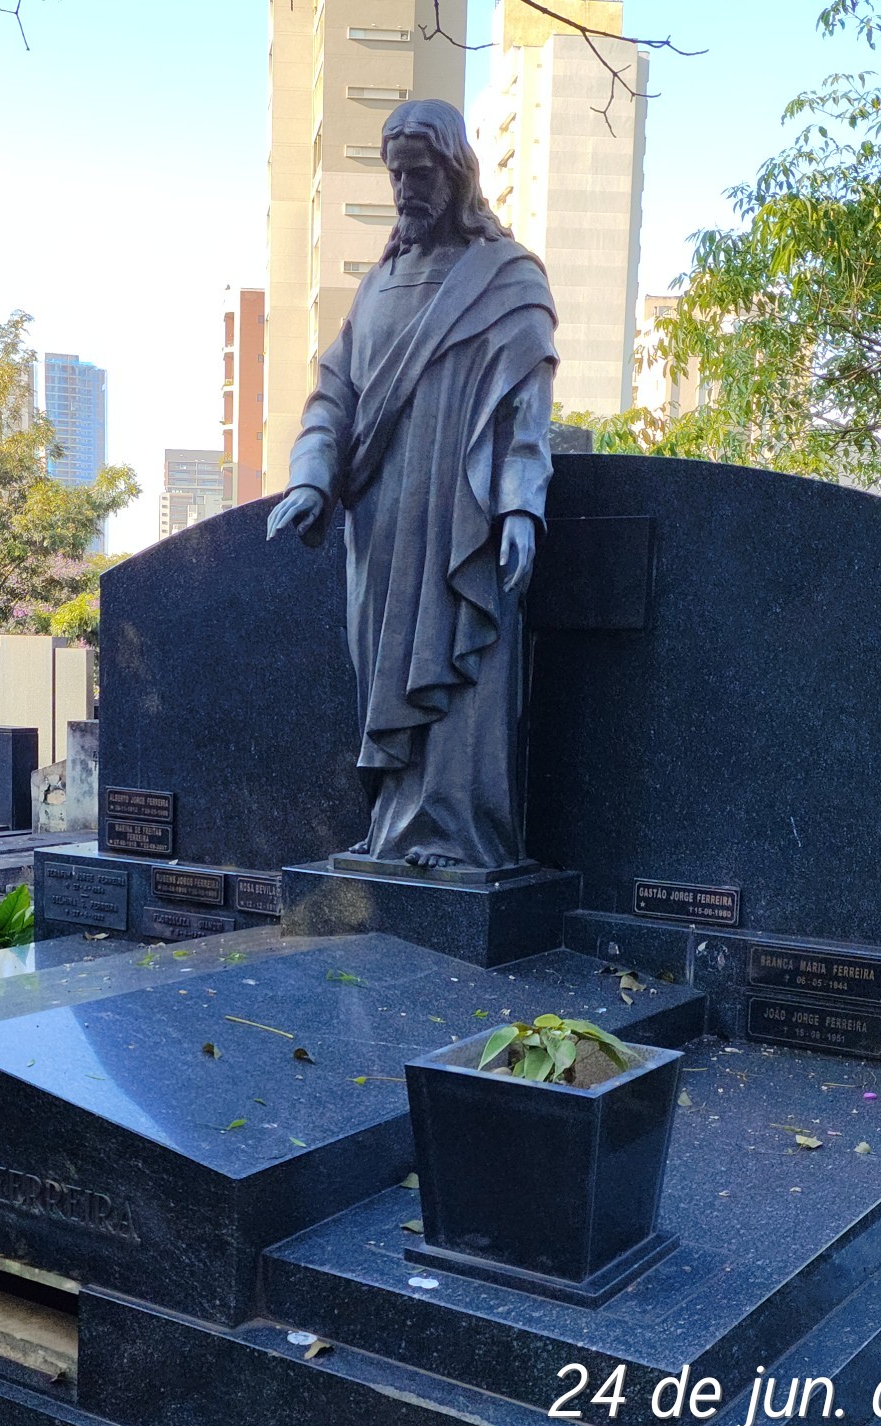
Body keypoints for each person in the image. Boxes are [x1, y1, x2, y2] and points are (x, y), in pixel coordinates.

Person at [266, 99, 558, 872]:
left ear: (456, 173)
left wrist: (521, 506)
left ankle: (458, 836)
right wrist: (310, 481)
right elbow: (333, 397)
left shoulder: (507, 277)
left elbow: (526, 414)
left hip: (464, 516)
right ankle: (395, 829)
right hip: (382, 521)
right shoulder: (378, 286)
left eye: (419, 174)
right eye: (396, 175)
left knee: (462, 677)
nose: (404, 190)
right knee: (383, 676)